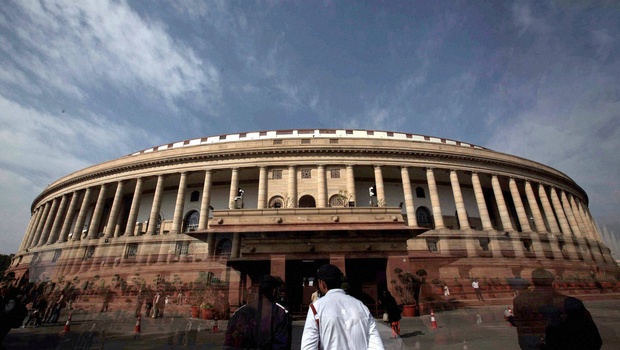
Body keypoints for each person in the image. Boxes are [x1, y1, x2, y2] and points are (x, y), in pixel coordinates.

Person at [511, 268, 601, 350]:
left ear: (532, 281)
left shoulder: (519, 301)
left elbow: (520, 324)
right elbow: (593, 338)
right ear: (552, 281)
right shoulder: (569, 302)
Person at [301, 264, 384, 350]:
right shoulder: (361, 306)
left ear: (322, 283)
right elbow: (376, 346)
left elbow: (308, 346)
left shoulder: (316, 308)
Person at [224, 275, 292, 349]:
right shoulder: (280, 314)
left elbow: (229, 343)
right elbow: (282, 345)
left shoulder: (239, 313)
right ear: (274, 291)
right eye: (280, 291)